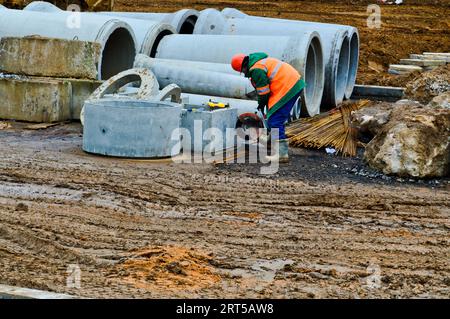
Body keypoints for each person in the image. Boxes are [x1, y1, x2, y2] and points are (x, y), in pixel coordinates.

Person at [231, 52, 305, 162]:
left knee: (275, 120)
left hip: (287, 87)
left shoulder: (256, 70)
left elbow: (264, 92)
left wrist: (260, 105)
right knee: (273, 117)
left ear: (243, 68)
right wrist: (266, 108)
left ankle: (281, 154)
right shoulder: (259, 62)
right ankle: (270, 142)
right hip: (292, 83)